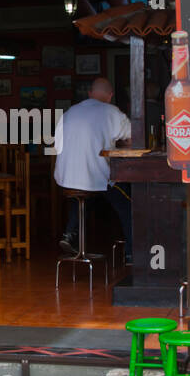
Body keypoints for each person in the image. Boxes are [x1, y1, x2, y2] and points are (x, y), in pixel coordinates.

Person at [53, 77, 133, 260]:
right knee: (127, 204)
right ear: (110, 95)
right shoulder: (111, 112)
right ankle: (131, 253)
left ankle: (70, 234)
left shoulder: (70, 112)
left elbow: (56, 145)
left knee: (81, 196)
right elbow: (132, 138)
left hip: (67, 178)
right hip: (97, 178)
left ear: (89, 94)